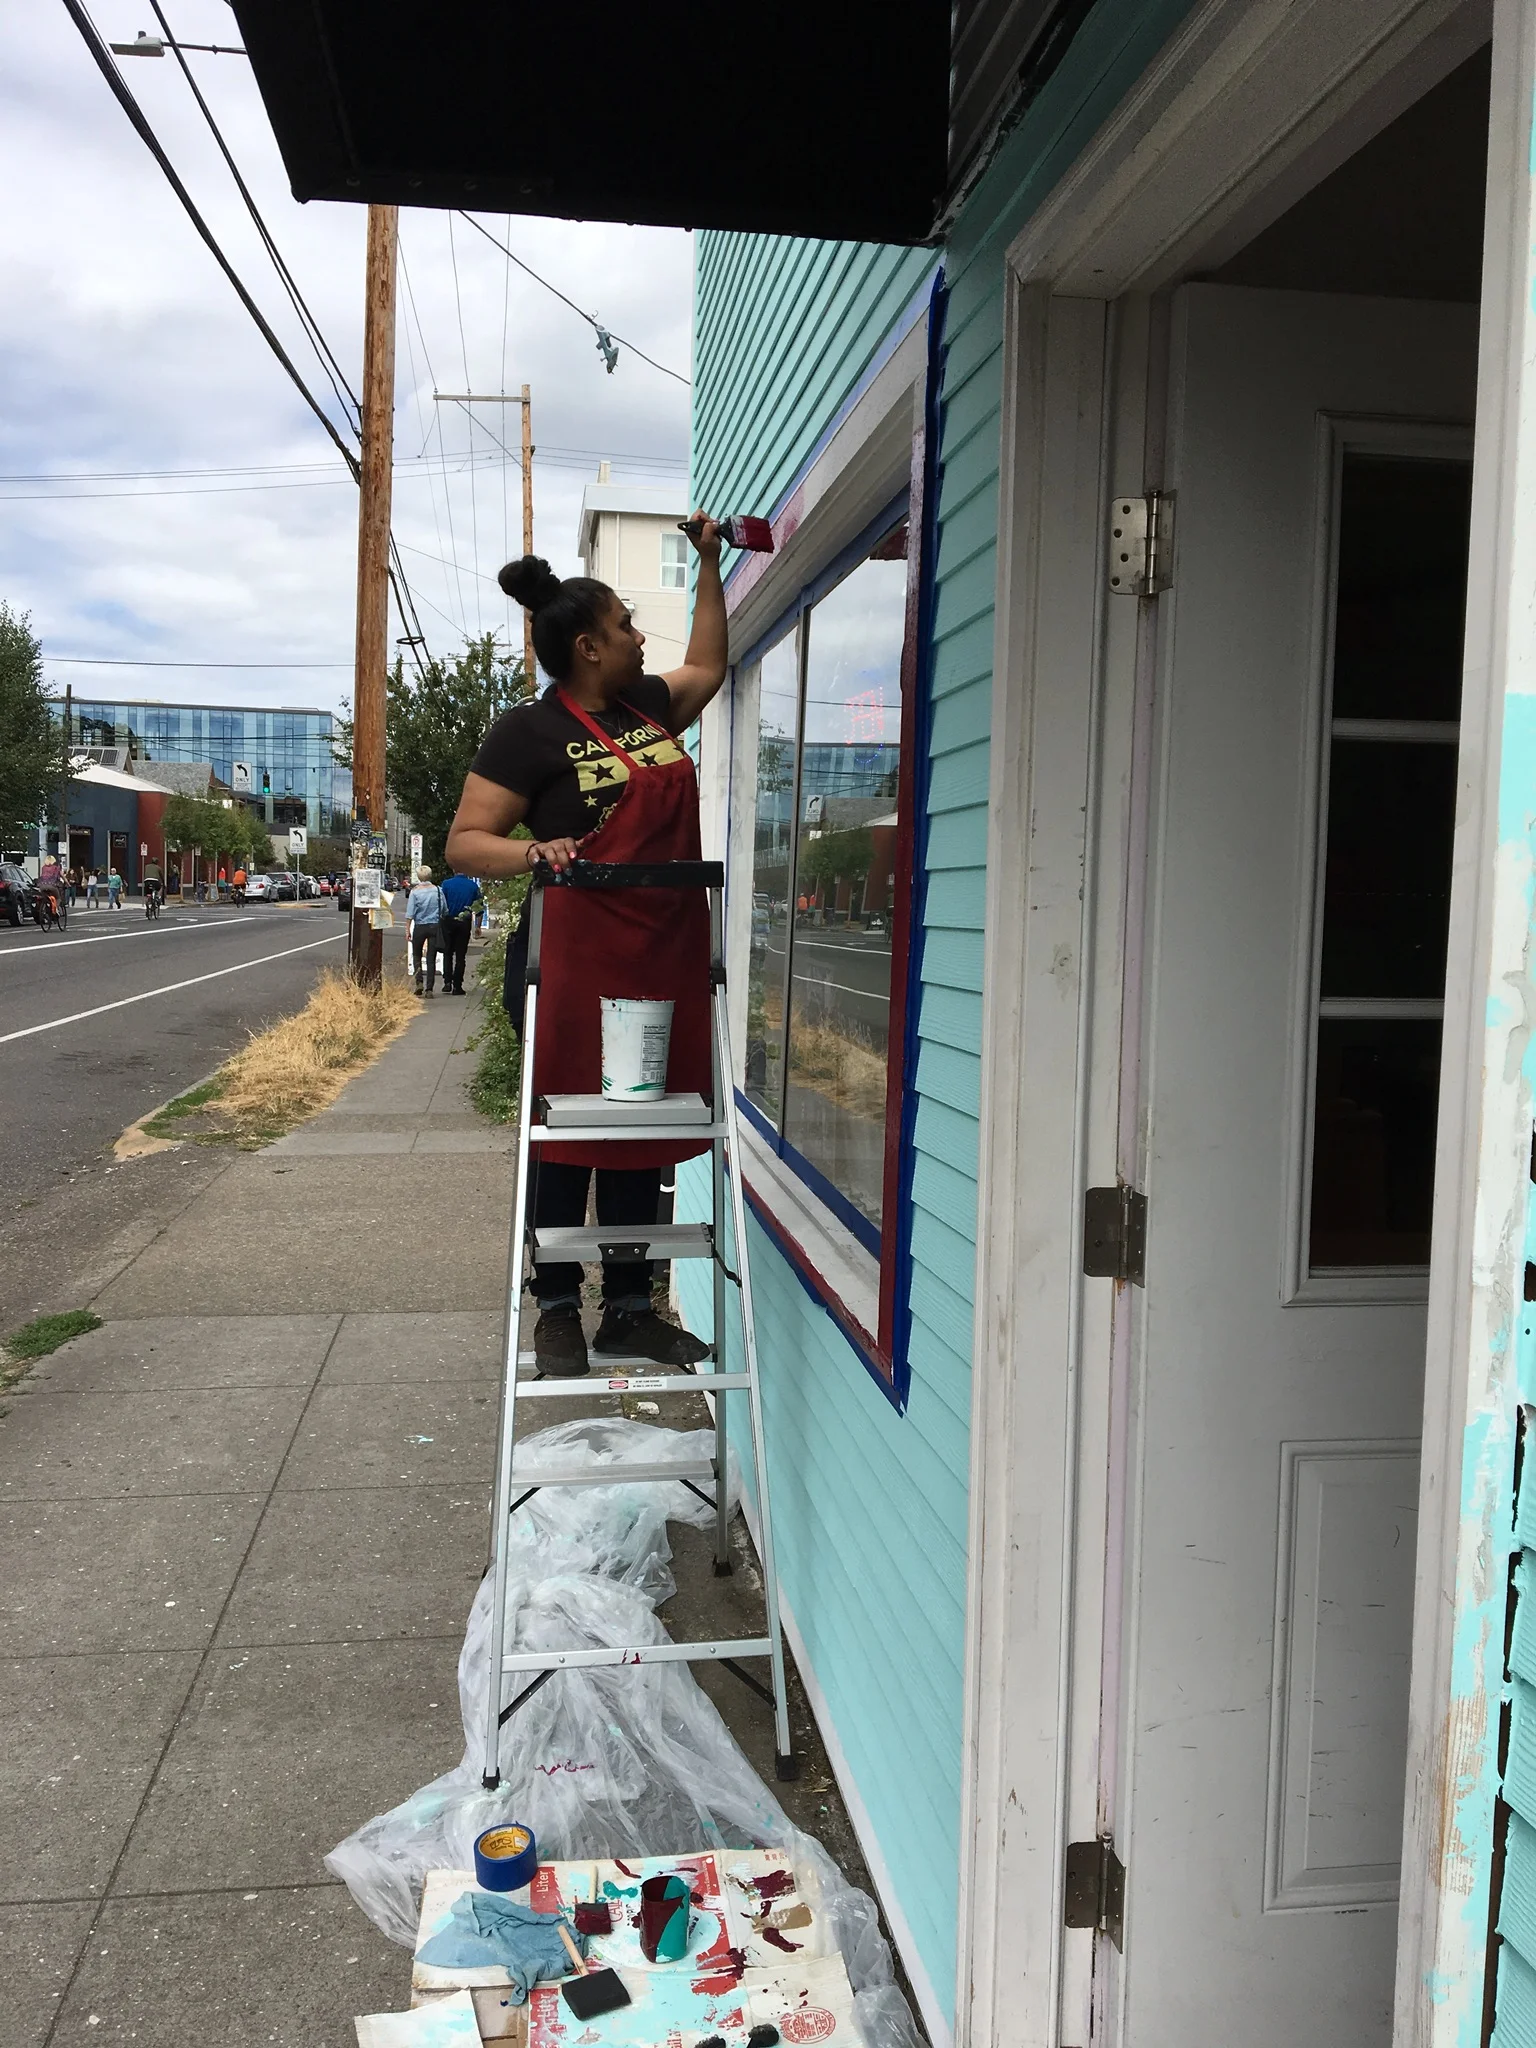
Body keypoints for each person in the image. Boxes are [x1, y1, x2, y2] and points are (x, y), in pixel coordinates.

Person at [444, 514, 726, 1378]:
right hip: (571, 962)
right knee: (567, 1135)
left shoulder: (647, 703)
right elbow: (464, 843)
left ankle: (631, 1309)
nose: (642, 637)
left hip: (661, 953)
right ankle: (560, 1307)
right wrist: (534, 850)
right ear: (588, 648)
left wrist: (711, 562)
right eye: (627, 625)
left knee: (641, 1131)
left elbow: (710, 664)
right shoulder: (525, 733)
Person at [436, 866, 483, 995]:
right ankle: (458, 985)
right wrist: (478, 925)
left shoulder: (446, 884)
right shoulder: (472, 886)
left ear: (454, 871)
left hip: (448, 920)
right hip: (464, 921)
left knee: (448, 952)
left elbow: (440, 903)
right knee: (461, 955)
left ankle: (447, 982)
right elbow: (479, 906)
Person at [404, 864, 443, 996]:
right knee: (431, 958)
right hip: (434, 926)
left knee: (417, 955)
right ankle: (429, 989)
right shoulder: (438, 890)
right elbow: (444, 908)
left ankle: (419, 982)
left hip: (420, 926)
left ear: (419, 877)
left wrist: (407, 930)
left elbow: (410, 913)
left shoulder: (415, 892)